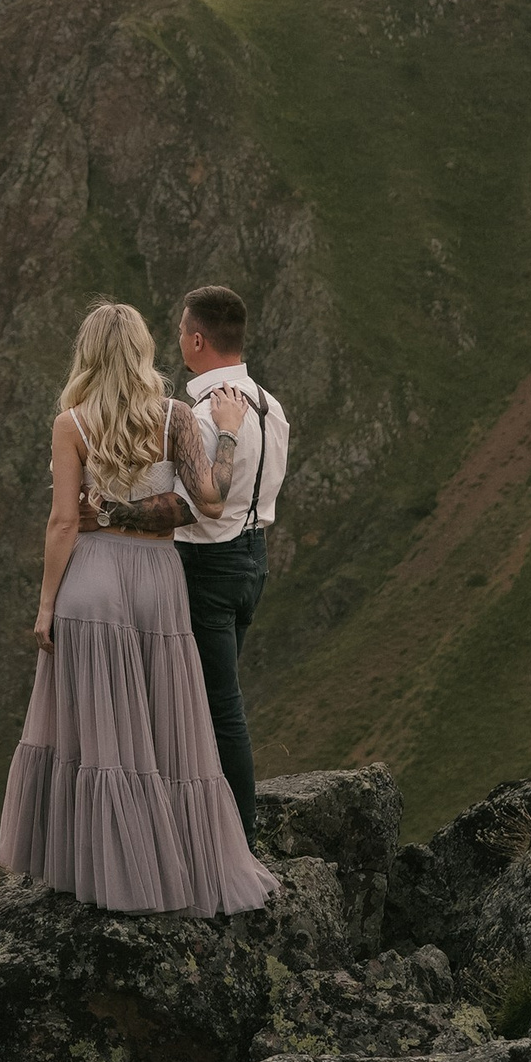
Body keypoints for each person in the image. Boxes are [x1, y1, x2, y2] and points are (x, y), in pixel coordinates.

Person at [0, 299, 277, 916]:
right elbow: (211, 501)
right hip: (158, 580)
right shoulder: (177, 417)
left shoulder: (71, 424)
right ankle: (173, 863)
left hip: (91, 581)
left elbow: (63, 522)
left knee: (96, 734)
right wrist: (227, 429)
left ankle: (100, 872)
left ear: (89, 355)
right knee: (164, 728)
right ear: (143, 352)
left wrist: (46, 606)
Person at [171, 281, 290, 851]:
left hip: (206, 566)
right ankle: (218, 825)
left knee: (216, 708)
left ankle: (236, 837)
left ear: (197, 339)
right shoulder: (272, 406)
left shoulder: (201, 414)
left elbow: (194, 502)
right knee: (216, 701)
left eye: (179, 331)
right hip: (253, 559)